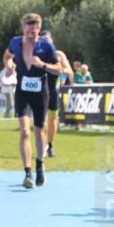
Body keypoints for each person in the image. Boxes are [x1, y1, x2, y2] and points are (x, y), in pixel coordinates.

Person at [3, 13, 61, 188]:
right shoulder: (15, 42)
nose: (30, 35)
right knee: (25, 132)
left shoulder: (47, 46)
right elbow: (7, 55)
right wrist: (9, 65)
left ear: (39, 30)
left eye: (33, 33)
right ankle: (27, 172)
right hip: (22, 91)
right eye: (27, 32)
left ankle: (40, 164)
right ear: (23, 29)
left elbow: (59, 69)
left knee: (39, 131)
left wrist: (42, 65)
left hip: (40, 93)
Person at [40, 30, 72, 159]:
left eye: (48, 39)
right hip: (40, 91)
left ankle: (50, 145)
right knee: (41, 121)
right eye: (44, 39)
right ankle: (42, 145)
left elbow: (69, 70)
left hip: (53, 91)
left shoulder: (58, 54)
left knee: (52, 120)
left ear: (52, 40)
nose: (46, 41)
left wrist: (61, 72)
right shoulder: (38, 54)